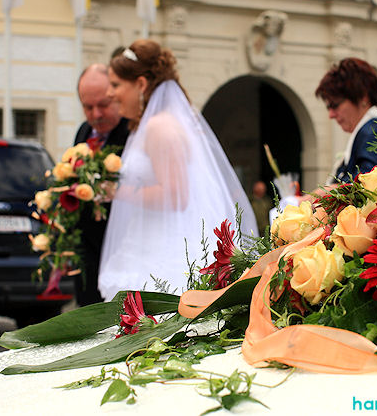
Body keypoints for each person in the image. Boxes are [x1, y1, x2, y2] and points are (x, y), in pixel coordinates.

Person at [98, 39, 258, 300]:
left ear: (140, 84)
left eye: (116, 85)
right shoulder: (151, 124)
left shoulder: (160, 127)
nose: (110, 94)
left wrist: (119, 192)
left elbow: (176, 195)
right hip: (146, 240)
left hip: (163, 248)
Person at [73, 63, 130, 306]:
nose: (96, 114)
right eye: (88, 107)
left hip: (123, 251)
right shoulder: (84, 132)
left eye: (103, 105)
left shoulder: (134, 132)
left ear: (115, 96)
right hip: (88, 253)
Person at [315, 57, 377, 185]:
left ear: (363, 97)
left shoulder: (374, 131)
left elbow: (365, 186)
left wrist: (322, 194)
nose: (331, 115)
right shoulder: (373, 128)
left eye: (335, 105)